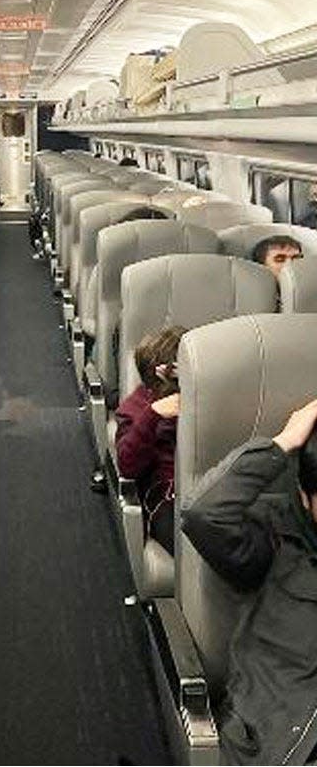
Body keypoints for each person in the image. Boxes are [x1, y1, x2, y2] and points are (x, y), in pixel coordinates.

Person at [180, 398, 317, 765]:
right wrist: (282, 443)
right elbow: (202, 514)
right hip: (283, 740)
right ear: (304, 498)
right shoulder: (275, 540)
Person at [115, 326, 185, 554]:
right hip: (167, 499)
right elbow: (127, 466)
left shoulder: (203, 398)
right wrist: (153, 415)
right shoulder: (135, 408)